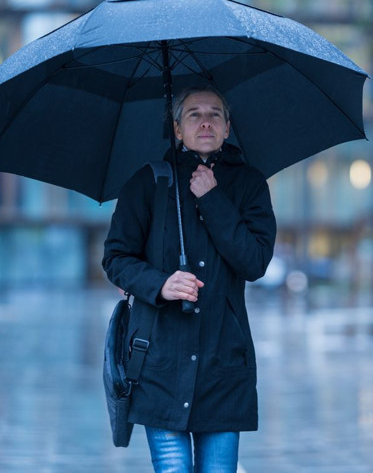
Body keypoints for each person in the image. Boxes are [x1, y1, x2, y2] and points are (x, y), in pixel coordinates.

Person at [103, 86, 276, 473]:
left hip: (223, 362)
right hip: (160, 362)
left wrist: (212, 199)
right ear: (177, 129)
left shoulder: (249, 185)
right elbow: (116, 258)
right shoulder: (148, 183)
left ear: (227, 127)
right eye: (194, 114)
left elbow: (254, 262)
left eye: (215, 114)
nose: (205, 122)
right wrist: (160, 285)